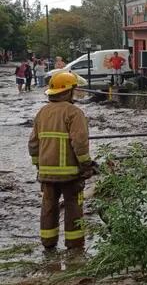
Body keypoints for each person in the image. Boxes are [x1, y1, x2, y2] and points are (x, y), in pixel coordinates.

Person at [28, 71, 94, 249]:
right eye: (74, 89)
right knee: (73, 206)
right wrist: (86, 164)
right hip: (70, 173)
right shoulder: (74, 113)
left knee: (48, 206)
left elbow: (33, 144)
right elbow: (80, 143)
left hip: (46, 173)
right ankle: (74, 245)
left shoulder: (42, 112)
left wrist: (38, 166)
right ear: (67, 92)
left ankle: (48, 243)